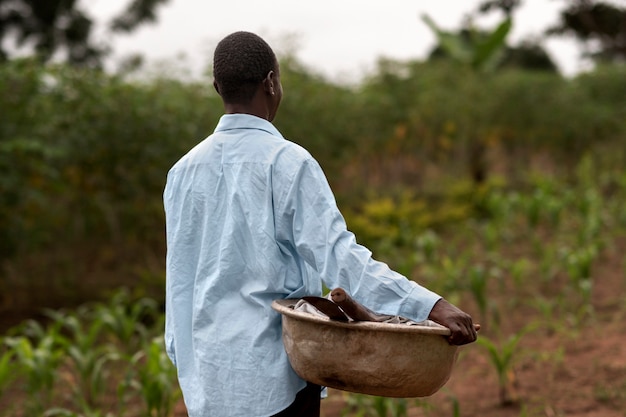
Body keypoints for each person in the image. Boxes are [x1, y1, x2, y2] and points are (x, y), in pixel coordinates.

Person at [163, 31, 477, 417]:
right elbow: (341, 259)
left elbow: (179, 281)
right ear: (271, 82)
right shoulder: (287, 163)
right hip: (273, 381)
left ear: (217, 87)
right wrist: (430, 306)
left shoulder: (182, 172)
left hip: (207, 383)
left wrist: (186, 364)